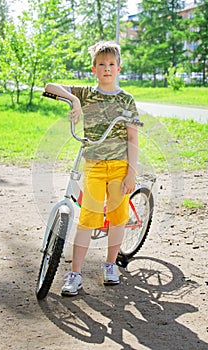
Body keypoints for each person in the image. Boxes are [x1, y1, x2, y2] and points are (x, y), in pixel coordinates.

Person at [45, 41, 139, 296]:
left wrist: (131, 172)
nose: (106, 68)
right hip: (94, 166)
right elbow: (49, 87)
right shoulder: (87, 94)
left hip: (120, 167)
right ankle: (74, 274)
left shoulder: (126, 100)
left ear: (119, 68)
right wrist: (74, 99)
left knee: (117, 218)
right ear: (94, 69)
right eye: (101, 64)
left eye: (111, 64)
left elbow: (132, 139)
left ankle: (110, 264)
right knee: (87, 220)